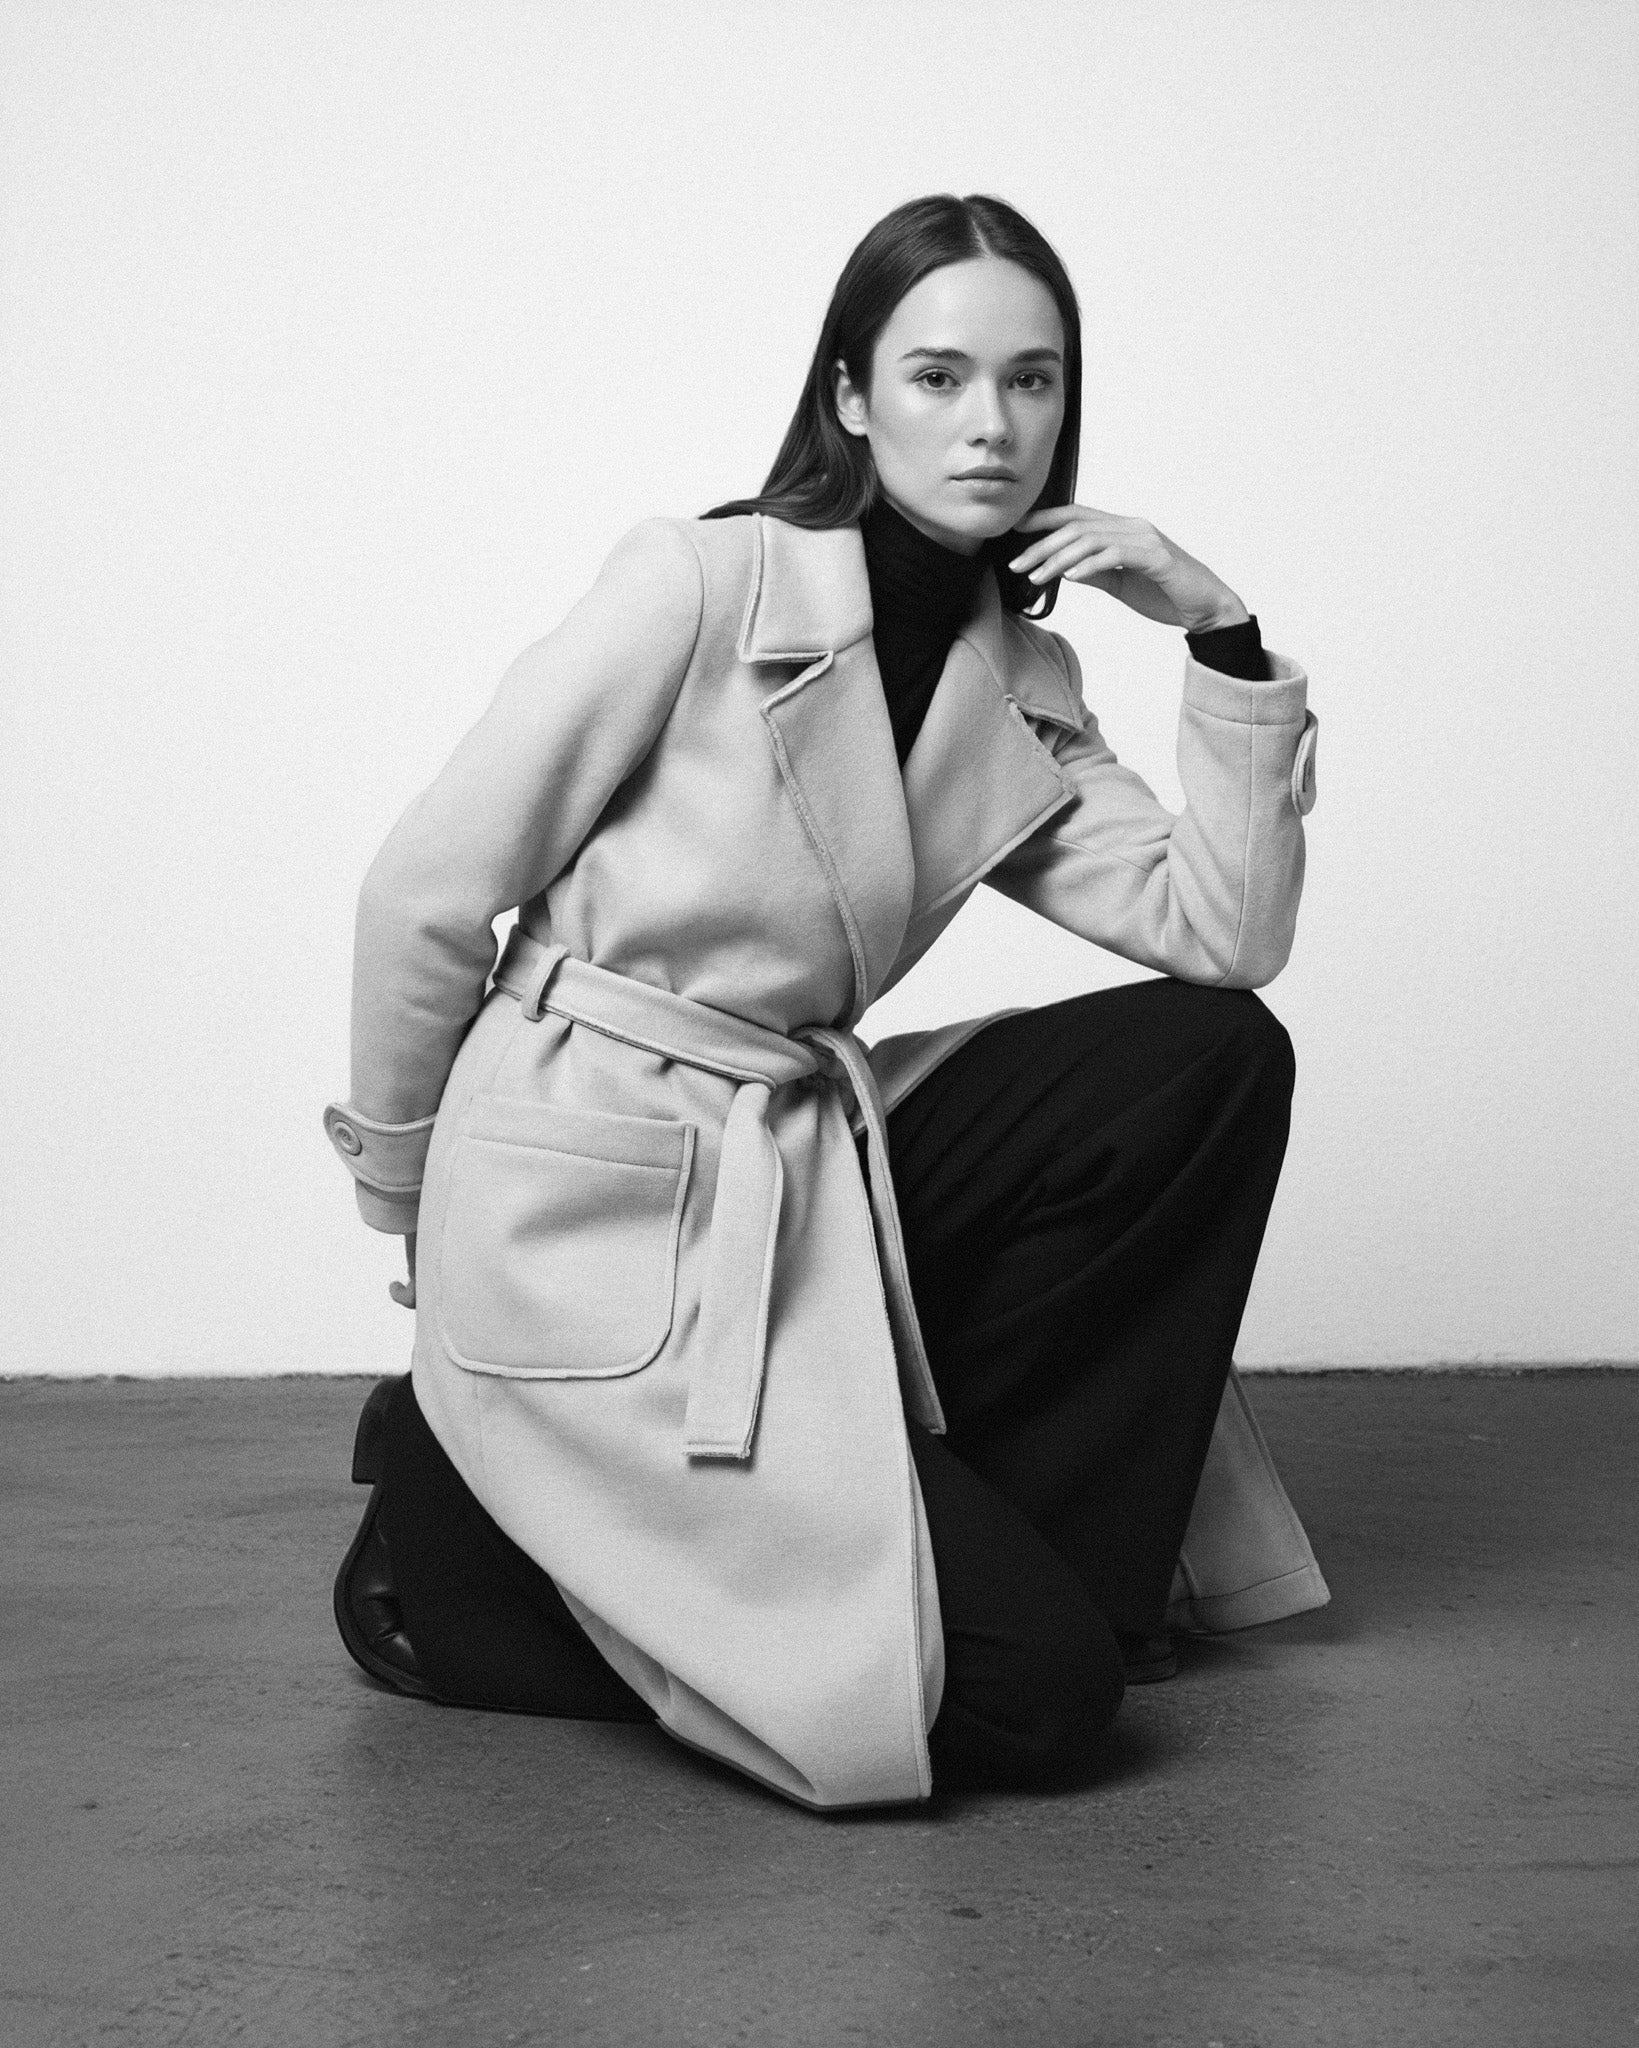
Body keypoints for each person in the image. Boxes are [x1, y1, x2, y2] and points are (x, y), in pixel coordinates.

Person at [323, 192, 1325, 1811]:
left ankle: (1048, 1567)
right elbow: (425, 895)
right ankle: (456, 1563)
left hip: (786, 1147)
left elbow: (1223, 932)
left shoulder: (1019, 679)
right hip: (588, 1174)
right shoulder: (699, 583)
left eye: (1033, 380)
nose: (992, 424)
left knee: (1206, 1060)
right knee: (1035, 1716)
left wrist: (1221, 628)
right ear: (851, 396)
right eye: (938, 377)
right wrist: (412, 1195)